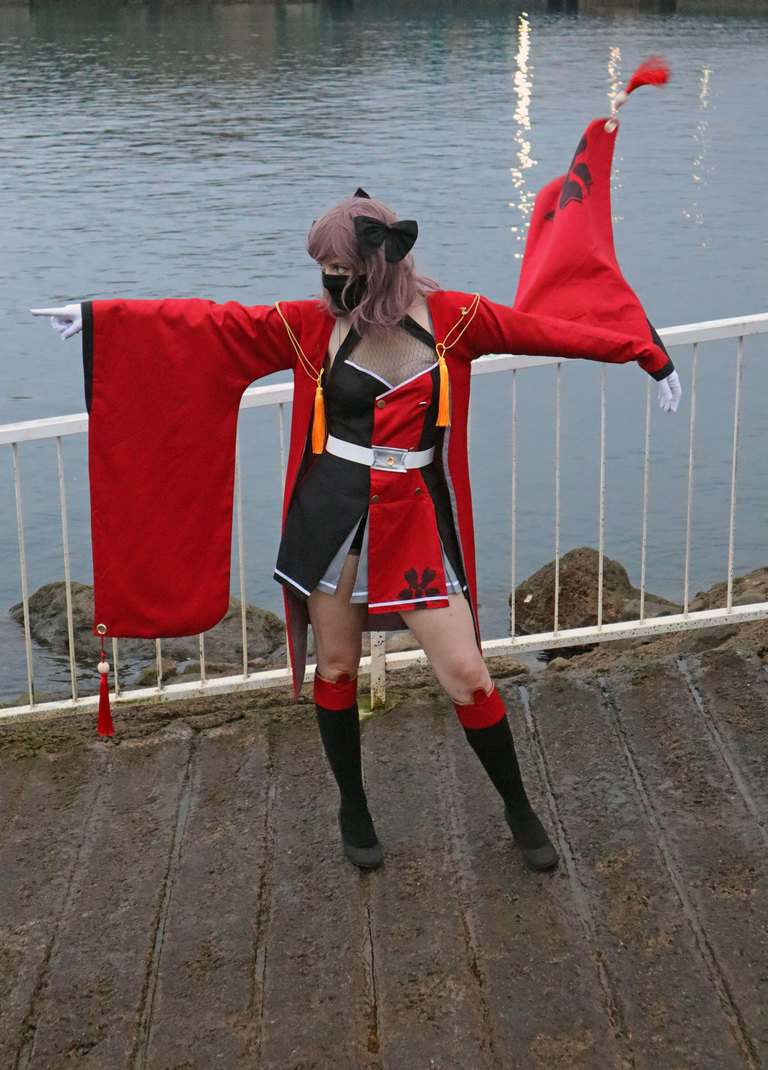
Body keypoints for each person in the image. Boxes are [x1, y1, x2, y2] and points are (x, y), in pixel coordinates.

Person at [32, 125, 681, 874]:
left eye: (342, 268)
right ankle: (353, 804)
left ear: (381, 262)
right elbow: (208, 328)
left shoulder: (457, 319)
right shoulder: (311, 328)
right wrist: (104, 321)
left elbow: (553, 331)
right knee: (335, 671)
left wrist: (644, 352)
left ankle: (518, 805)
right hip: (332, 517)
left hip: (415, 516)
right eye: (324, 269)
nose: (330, 282)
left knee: (466, 672)